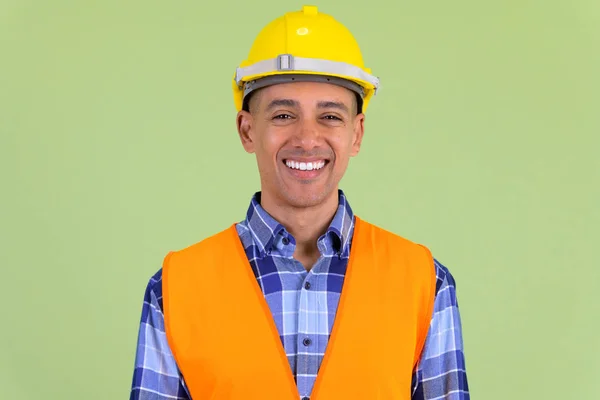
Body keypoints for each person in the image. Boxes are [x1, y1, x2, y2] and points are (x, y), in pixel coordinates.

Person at [129, 5, 469, 400]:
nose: (307, 138)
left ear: (356, 135)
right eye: (284, 114)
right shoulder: (174, 290)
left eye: (330, 117)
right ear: (247, 130)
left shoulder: (424, 284)